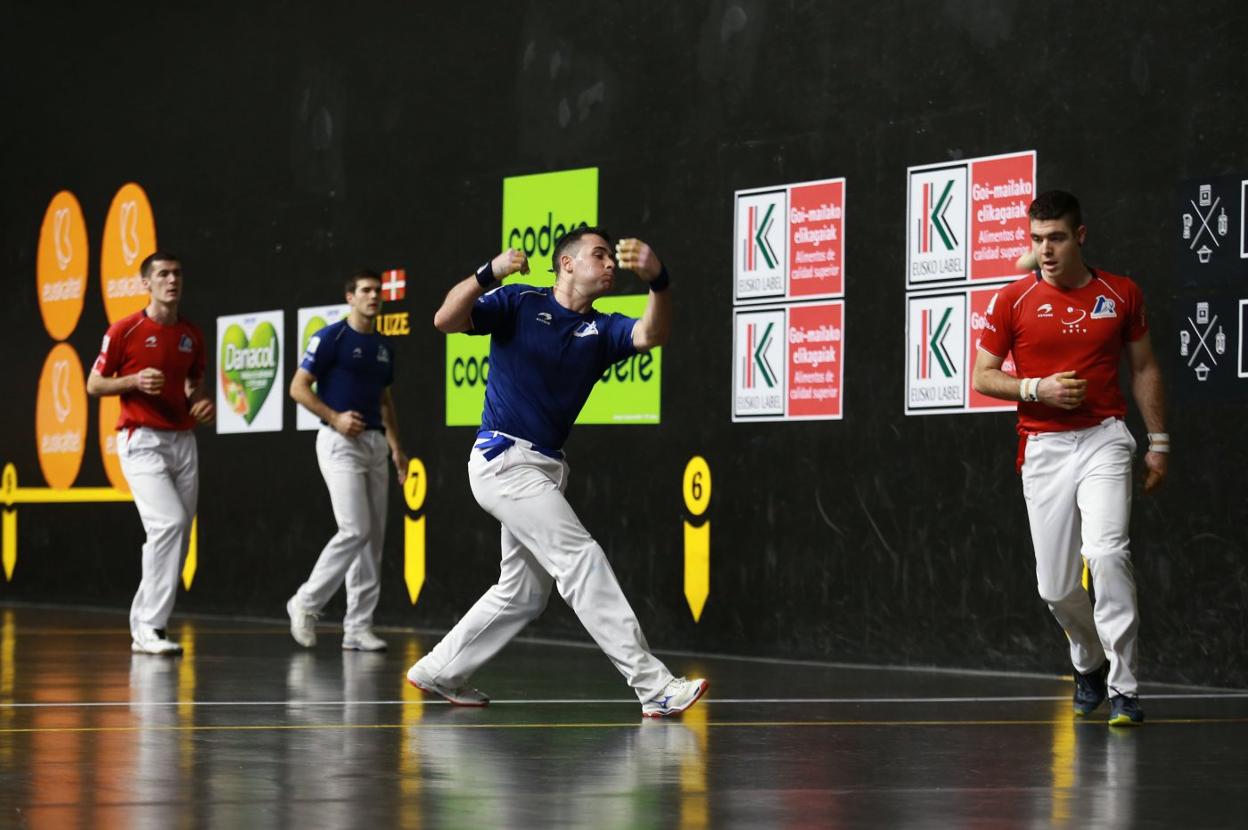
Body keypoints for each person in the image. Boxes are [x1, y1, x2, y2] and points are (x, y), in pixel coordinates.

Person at [407, 227, 707, 718]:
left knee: (523, 593)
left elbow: (653, 333)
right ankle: (653, 685)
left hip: (545, 468)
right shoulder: (519, 301)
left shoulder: (602, 330)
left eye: (613, 257)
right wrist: (489, 274)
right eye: (599, 255)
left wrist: (659, 280)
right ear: (566, 264)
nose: (610, 264)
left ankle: (442, 668)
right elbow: (445, 319)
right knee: (580, 558)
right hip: (503, 459)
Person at [972, 191, 1168, 726]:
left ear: (1079, 236)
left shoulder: (1120, 293)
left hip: (1105, 439)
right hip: (1044, 447)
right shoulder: (1012, 300)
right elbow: (982, 376)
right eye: (1036, 240)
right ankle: (1090, 661)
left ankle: (1125, 688)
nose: (1046, 250)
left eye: (1056, 238)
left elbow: (1145, 367)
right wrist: (1037, 388)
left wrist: (1159, 443)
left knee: (1106, 554)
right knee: (1055, 587)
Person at [87, 252, 215, 655]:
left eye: (177, 273)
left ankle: (151, 624)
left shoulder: (191, 334)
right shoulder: (125, 330)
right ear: (147, 283)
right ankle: (148, 628)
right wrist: (133, 380)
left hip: (183, 440)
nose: (171, 280)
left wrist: (200, 403)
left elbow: (194, 381)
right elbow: (94, 384)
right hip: (140, 440)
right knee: (168, 523)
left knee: (179, 535)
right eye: (162, 274)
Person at [287, 271, 408, 652]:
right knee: (355, 529)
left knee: (372, 539)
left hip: (375, 445)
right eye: (365, 291)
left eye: (377, 291)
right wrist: (335, 416)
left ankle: (357, 627)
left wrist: (396, 447)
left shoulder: (384, 348)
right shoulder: (330, 338)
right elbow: (297, 387)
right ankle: (305, 602)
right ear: (350, 297)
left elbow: (385, 401)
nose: (373, 296)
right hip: (339, 442)